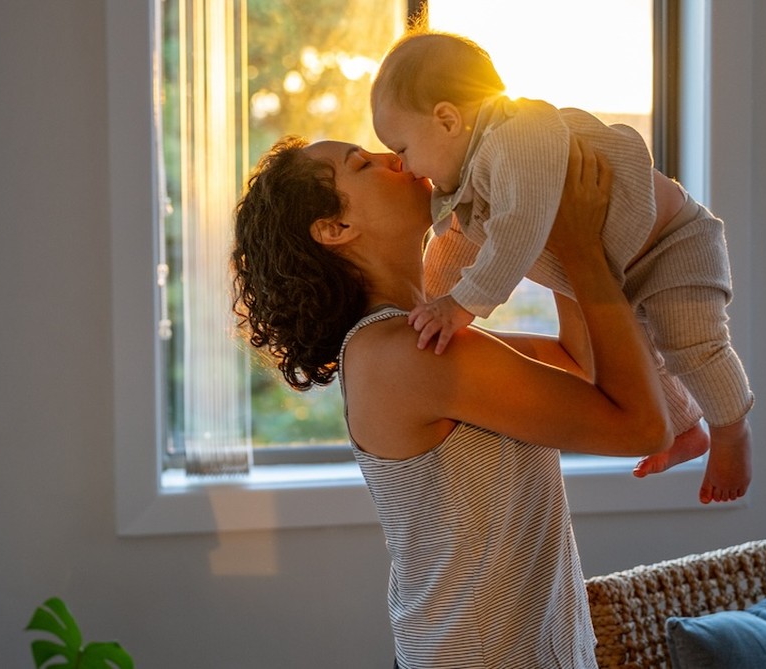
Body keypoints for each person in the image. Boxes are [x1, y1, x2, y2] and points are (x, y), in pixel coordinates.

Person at [232, 134, 669, 668]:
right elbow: (643, 429)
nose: (394, 157)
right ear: (335, 229)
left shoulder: (417, 339)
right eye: (363, 164)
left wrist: (551, 220)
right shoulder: (402, 355)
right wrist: (580, 250)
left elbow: (579, 364)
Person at [369, 28, 753, 504]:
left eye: (402, 149)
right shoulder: (470, 178)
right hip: (621, 267)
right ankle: (686, 430)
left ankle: (731, 431)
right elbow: (455, 248)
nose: (404, 167)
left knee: (689, 345)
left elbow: (518, 230)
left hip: (671, 245)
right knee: (639, 356)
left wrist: (460, 306)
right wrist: (426, 306)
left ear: (447, 120)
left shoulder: (518, 138)